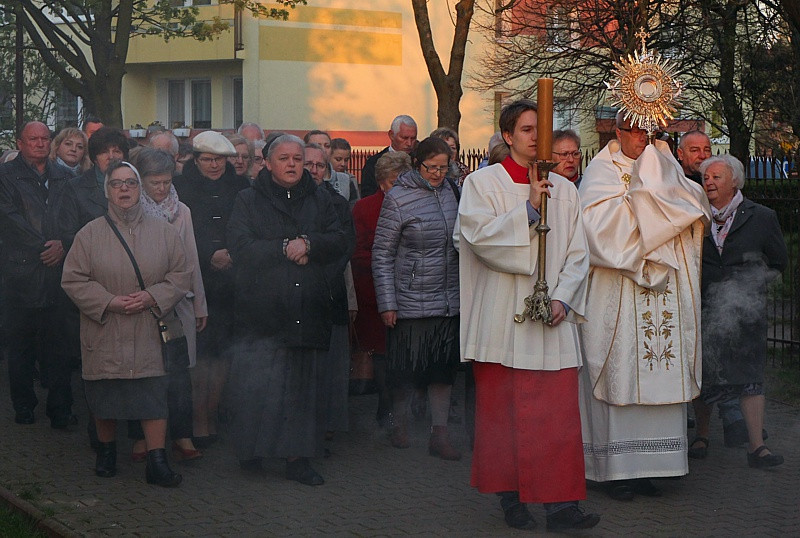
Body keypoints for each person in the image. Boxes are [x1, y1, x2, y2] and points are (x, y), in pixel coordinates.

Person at [455, 100, 599, 532]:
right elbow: (479, 239)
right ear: (507, 136)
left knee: (555, 417)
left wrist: (564, 299)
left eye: (542, 129)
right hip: (502, 319)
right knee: (504, 416)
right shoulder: (483, 184)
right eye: (526, 129)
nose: (536, 137)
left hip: (550, 322)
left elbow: (578, 252)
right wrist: (529, 210)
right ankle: (511, 499)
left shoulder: (567, 189)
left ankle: (561, 506)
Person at [578, 111, 710, 500]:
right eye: (635, 131)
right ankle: (619, 472)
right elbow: (596, 229)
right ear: (617, 131)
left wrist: (663, 205)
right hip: (619, 288)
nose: (642, 139)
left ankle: (659, 467)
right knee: (621, 371)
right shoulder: (602, 170)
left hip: (664, 292)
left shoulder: (666, 162)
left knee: (662, 367)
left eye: (649, 131)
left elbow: (693, 206)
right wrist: (651, 217)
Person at [226, 134, 348, 485]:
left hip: (307, 307)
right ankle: (251, 451)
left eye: (298, 158)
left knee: (301, 389)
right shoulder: (247, 200)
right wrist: (284, 248)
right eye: (284, 158)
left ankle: (298, 459)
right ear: (266, 162)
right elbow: (240, 246)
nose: (293, 164)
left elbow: (341, 240)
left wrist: (310, 244)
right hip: (261, 312)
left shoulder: (322, 199)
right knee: (258, 387)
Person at [61, 160, 189, 486]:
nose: (124, 189)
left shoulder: (164, 231)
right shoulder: (88, 234)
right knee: (105, 395)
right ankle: (106, 452)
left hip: (149, 328)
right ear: (107, 190)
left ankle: (157, 462)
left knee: (153, 396)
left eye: (130, 183)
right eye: (117, 184)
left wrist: (152, 297)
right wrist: (109, 302)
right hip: (105, 330)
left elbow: (180, 274)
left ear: (139, 188)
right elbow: (73, 280)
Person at [689, 155, 788, 467]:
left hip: (745, 309)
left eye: (717, 177)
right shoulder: (695, 216)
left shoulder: (762, 216)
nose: (709, 182)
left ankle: (756, 447)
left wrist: (750, 285)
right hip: (705, 306)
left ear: (735, 182)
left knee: (750, 377)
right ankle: (701, 435)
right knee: (705, 374)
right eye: (706, 177)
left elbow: (777, 260)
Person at [371, 137, 461, 460]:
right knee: (405, 369)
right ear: (416, 164)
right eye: (431, 167)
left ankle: (440, 434)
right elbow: (382, 253)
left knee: (442, 370)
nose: (438, 173)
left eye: (443, 167)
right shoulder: (397, 198)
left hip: (447, 298)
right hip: (409, 299)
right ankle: (399, 423)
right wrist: (388, 302)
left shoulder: (453, 192)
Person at [128, 148, 208, 462]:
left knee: (179, 372)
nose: (161, 188)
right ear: (141, 181)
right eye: (154, 182)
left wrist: (200, 304)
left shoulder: (182, 211)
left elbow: (192, 260)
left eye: (166, 181)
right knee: (145, 373)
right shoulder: (131, 210)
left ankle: (182, 435)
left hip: (180, 301)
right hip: (144, 301)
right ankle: (140, 437)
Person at [173, 131, 250, 448]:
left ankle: (212, 414)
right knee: (199, 353)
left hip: (234, 281)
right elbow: (177, 233)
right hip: (196, 280)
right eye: (208, 159)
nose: (215, 165)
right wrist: (208, 255)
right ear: (195, 159)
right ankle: (197, 417)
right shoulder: (181, 188)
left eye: (220, 159)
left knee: (222, 354)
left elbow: (249, 225)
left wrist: (234, 252)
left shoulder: (243, 187)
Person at [0, 121, 75, 428]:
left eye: (45, 138)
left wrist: (64, 245)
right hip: (21, 272)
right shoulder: (5, 176)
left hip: (58, 273)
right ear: (20, 143)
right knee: (20, 346)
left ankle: (59, 408)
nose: (41, 143)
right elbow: (9, 217)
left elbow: (75, 216)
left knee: (59, 346)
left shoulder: (65, 177)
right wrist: (45, 246)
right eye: (34, 139)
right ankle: (24, 405)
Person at [352, 151, 412, 427]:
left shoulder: (414, 205)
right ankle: (384, 404)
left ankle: (402, 406)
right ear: (381, 182)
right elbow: (355, 251)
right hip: (373, 288)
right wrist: (385, 258)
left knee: (404, 350)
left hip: (410, 288)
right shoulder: (364, 208)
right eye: (393, 181)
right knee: (381, 351)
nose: (398, 187)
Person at [304, 143, 357, 445]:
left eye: (319, 165)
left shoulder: (337, 203)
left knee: (331, 369)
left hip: (329, 291)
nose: (313, 170)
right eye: (307, 164)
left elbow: (344, 245)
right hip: (298, 297)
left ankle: (327, 428)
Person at [360, 115, 417, 197]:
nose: (409, 143)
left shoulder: (418, 162)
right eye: (404, 138)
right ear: (391, 135)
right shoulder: (373, 163)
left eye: (413, 138)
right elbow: (368, 196)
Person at [304, 130, 359, 204]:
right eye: (317, 145)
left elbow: (353, 209)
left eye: (327, 146)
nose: (323, 149)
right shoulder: (295, 180)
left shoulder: (345, 180)